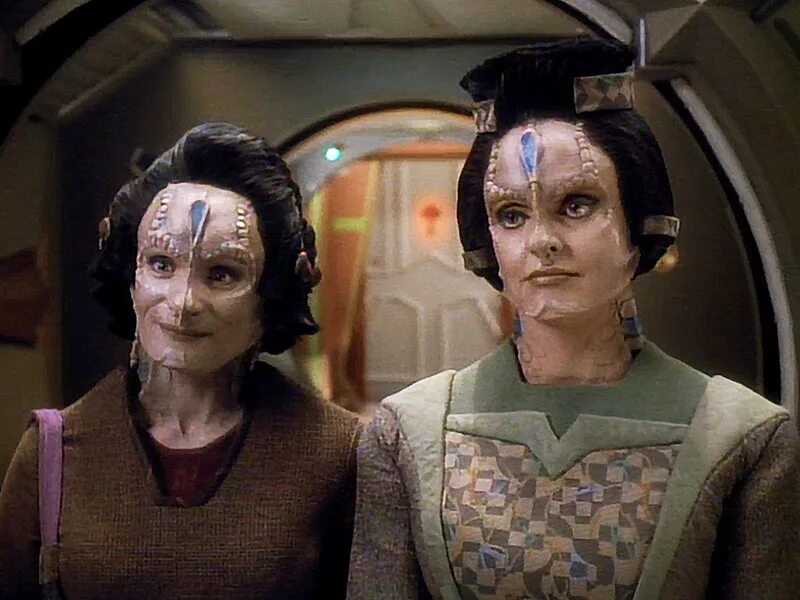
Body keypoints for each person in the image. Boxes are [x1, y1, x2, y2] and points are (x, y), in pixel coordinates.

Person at [347, 37, 800, 600]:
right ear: (487, 242)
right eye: (511, 215)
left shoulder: (743, 437)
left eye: (577, 205)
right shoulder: (407, 432)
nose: (542, 241)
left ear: (640, 224)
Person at [0, 123, 360, 599]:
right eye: (161, 264)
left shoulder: (340, 452)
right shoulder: (52, 451)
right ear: (131, 278)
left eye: (222, 273)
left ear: (270, 294)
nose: (184, 301)